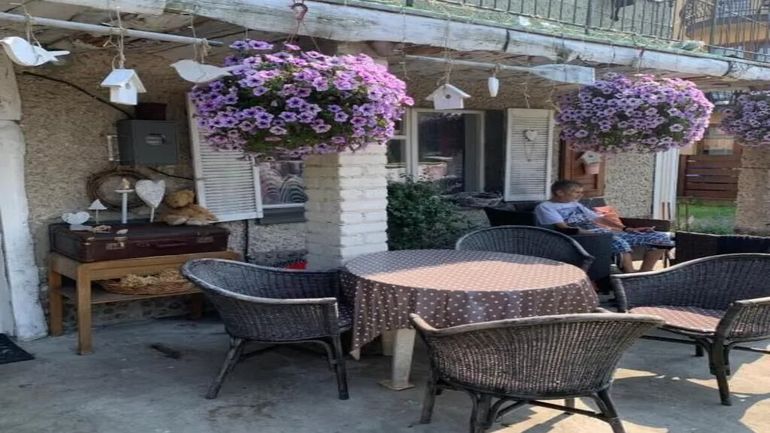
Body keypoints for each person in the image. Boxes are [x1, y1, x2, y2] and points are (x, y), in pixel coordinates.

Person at [535, 180, 672, 272]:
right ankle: (630, 276)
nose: (580, 195)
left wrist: (626, 228)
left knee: (659, 237)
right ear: (560, 192)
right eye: (576, 192)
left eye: (581, 192)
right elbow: (563, 228)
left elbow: (599, 218)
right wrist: (595, 234)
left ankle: (645, 273)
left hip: (604, 234)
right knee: (619, 242)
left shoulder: (575, 204)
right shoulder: (546, 207)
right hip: (584, 239)